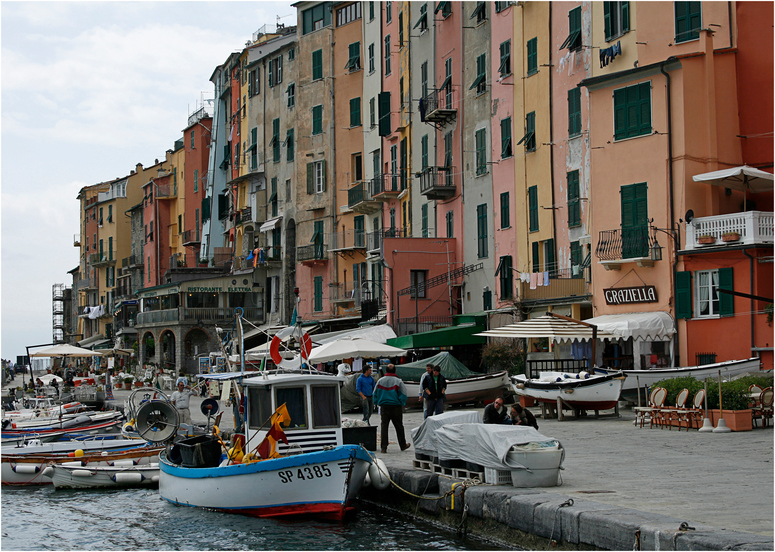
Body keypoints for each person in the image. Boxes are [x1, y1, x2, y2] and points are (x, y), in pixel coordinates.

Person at [373, 364, 411, 454]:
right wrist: (401, 403)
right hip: (396, 407)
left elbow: (375, 393)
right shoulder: (398, 381)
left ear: (386, 371)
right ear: (395, 371)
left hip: (384, 407)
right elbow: (404, 394)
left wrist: (377, 402)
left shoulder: (380, 381)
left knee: (384, 427)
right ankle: (402, 445)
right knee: (399, 427)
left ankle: (383, 447)